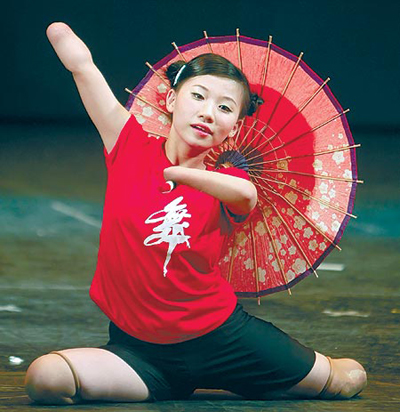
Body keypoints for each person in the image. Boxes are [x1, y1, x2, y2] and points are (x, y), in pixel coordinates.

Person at [24, 22, 367, 404]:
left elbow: (246, 195)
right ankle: (180, 384)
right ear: (172, 100)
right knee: (46, 378)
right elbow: (85, 72)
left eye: (224, 108)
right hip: (139, 352)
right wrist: (77, 58)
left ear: (233, 128)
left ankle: (247, 377)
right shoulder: (129, 147)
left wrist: (181, 173)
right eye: (198, 96)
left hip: (225, 340)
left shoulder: (229, 180)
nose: (208, 113)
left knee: (345, 380)